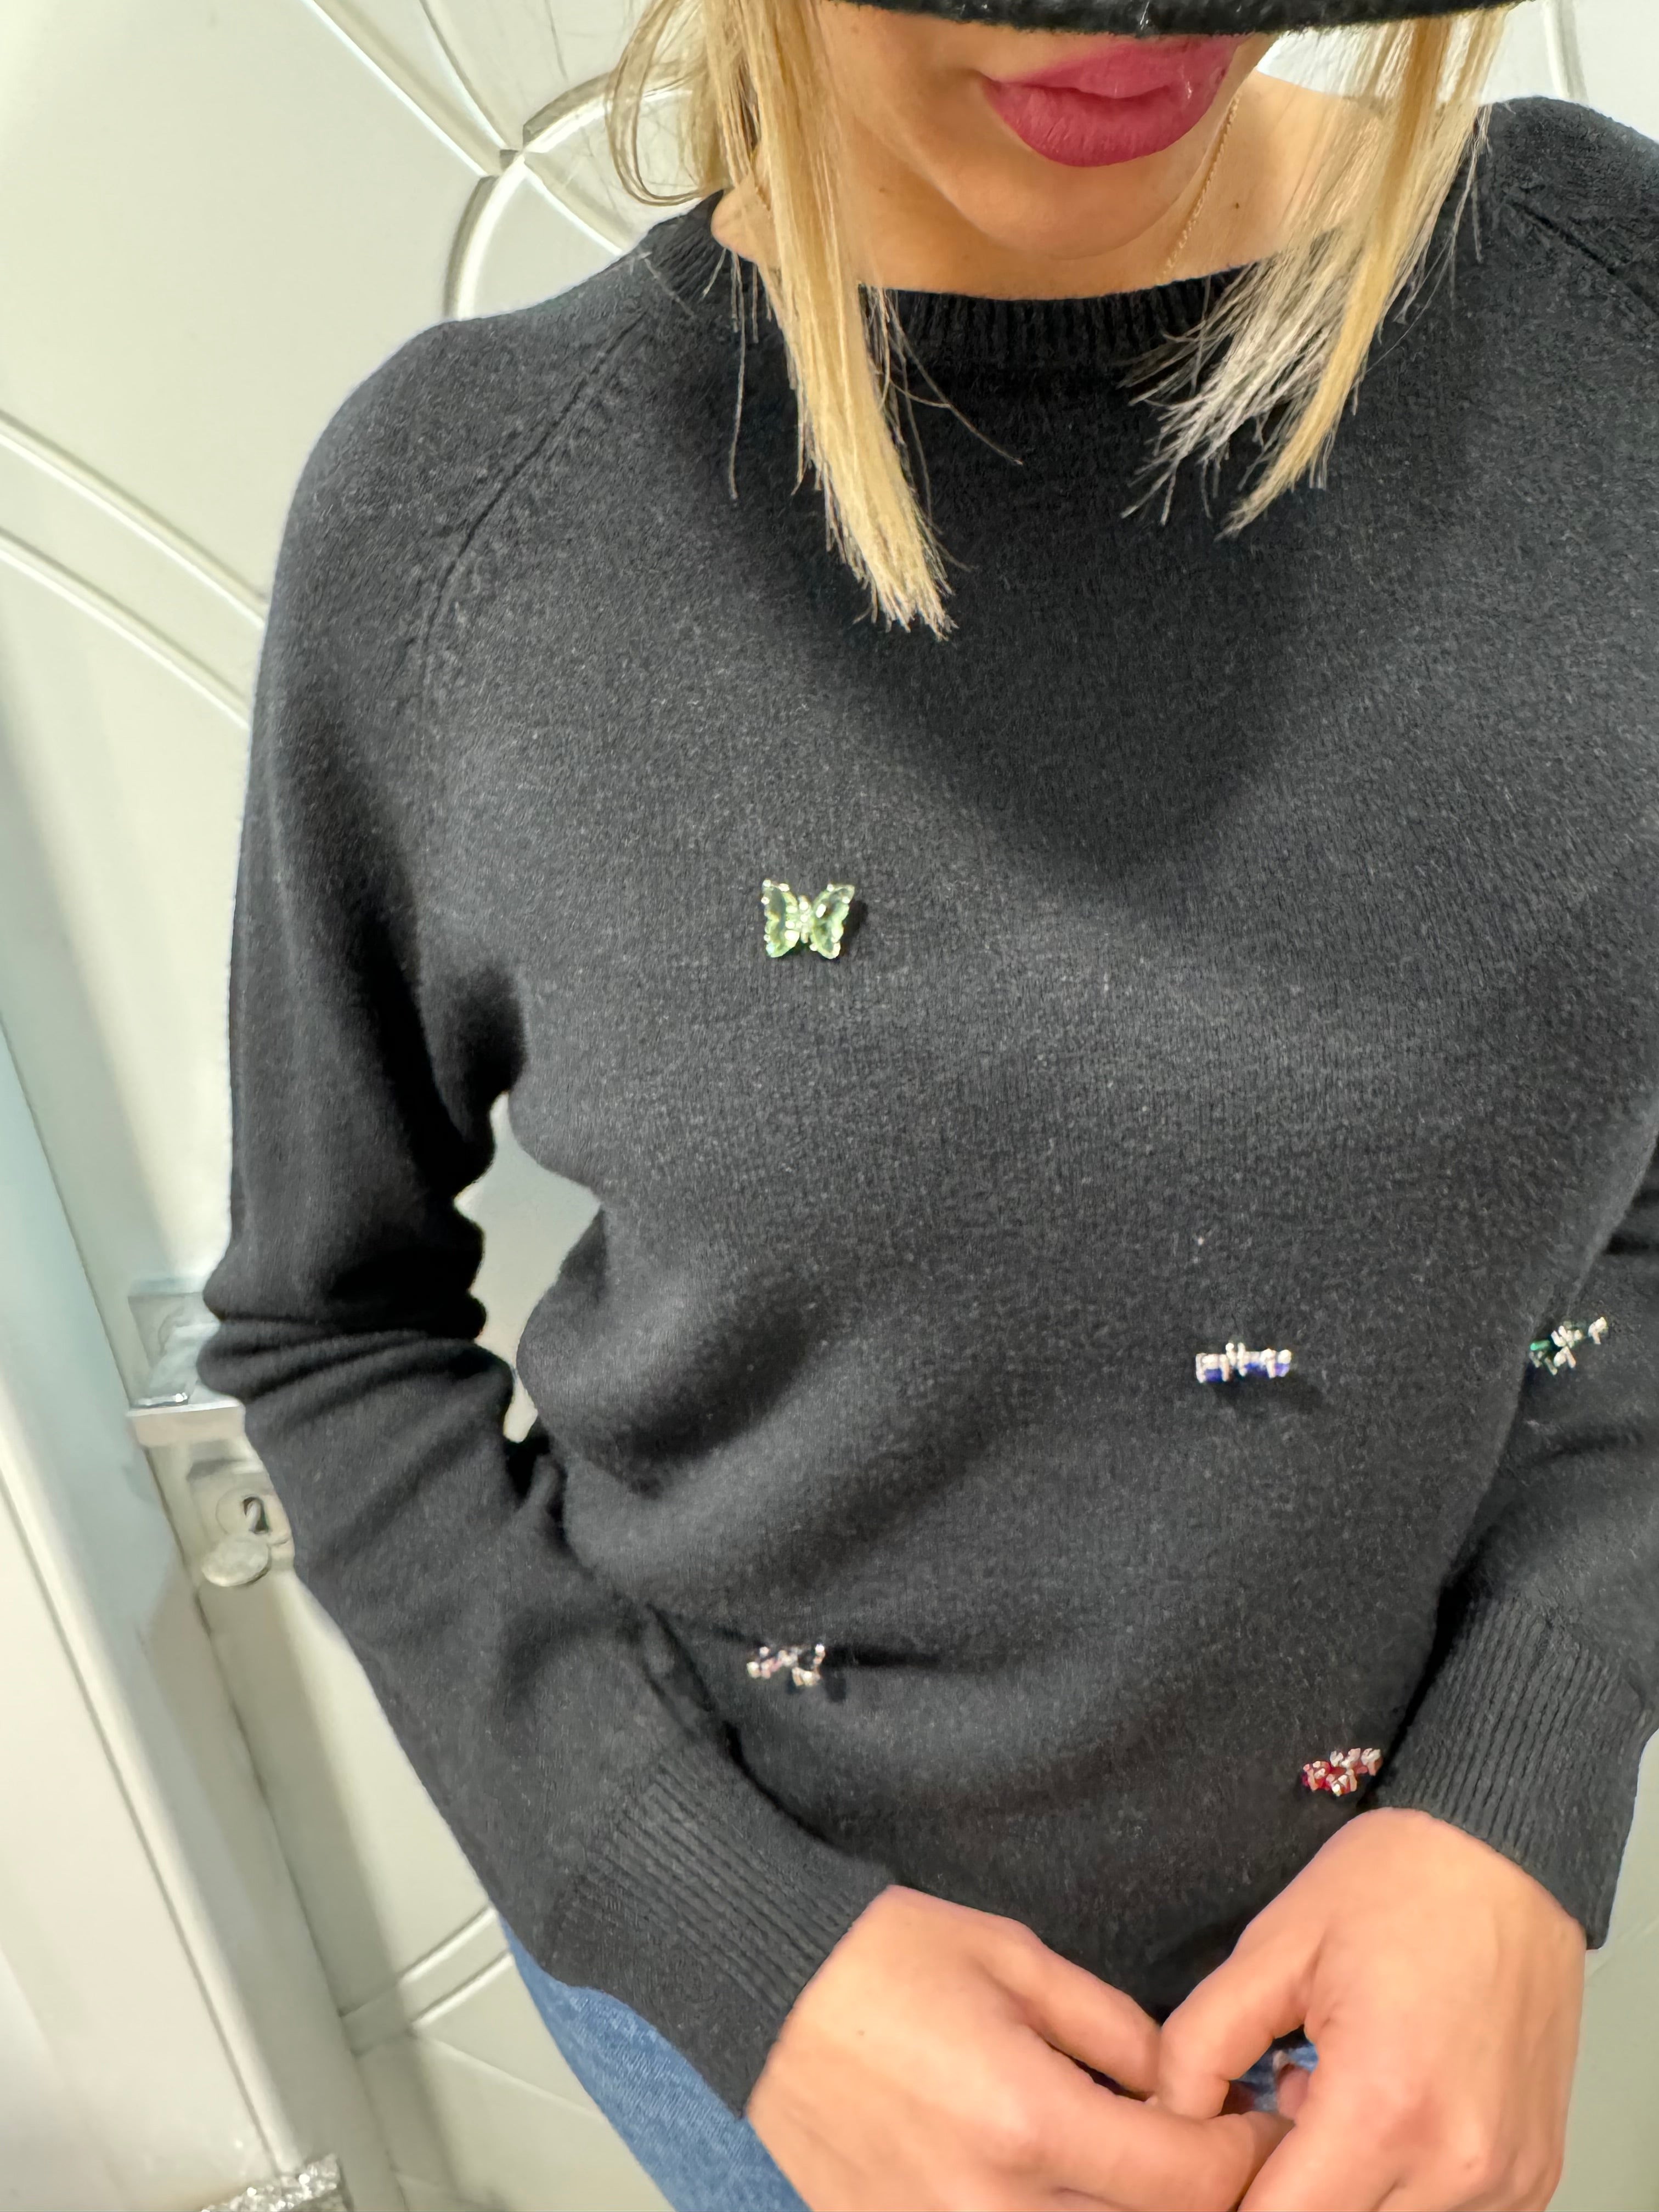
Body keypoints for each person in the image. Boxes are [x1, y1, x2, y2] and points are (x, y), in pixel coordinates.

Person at [198, 0, 1658, 2204]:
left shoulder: (1605, 320)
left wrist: (1523, 1783)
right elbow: (328, 1334)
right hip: (773, 2025)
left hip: (1412, 2008)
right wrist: (732, 1946)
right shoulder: (461, 521)